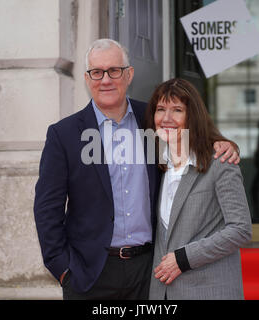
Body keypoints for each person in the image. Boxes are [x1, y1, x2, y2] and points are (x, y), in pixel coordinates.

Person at [33, 39, 239, 300]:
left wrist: (221, 144)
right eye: (97, 72)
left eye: (114, 71)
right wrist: (63, 269)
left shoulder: (153, 119)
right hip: (89, 275)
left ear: (129, 74)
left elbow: (192, 139)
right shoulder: (63, 134)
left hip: (148, 272)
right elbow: (46, 209)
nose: (105, 80)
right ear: (87, 78)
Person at [145, 78, 252, 300]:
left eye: (177, 110)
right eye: (160, 109)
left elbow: (241, 229)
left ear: (192, 116)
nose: (166, 118)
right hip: (162, 295)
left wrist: (184, 258)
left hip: (210, 291)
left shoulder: (219, 162)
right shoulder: (156, 165)